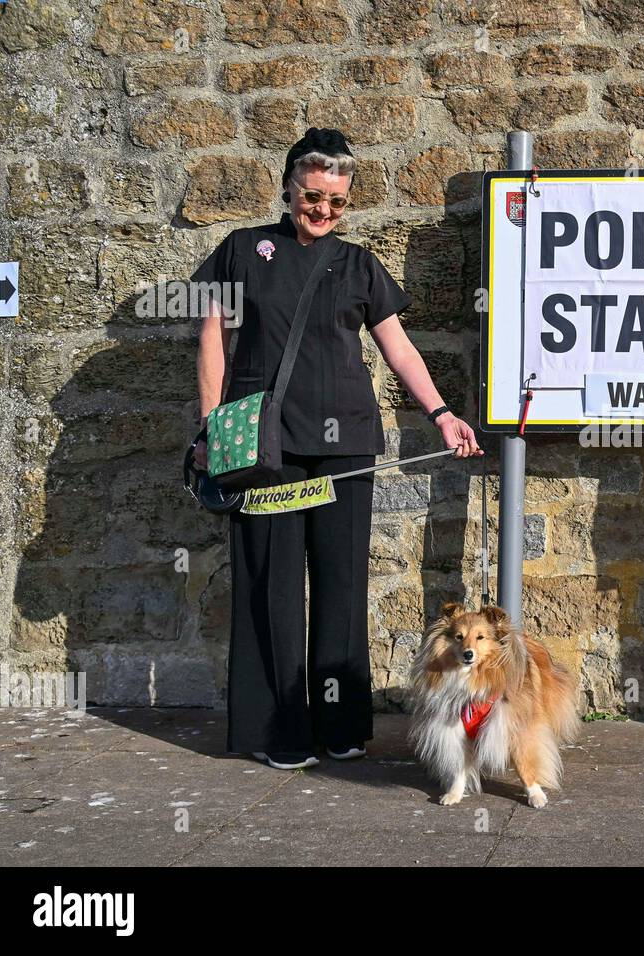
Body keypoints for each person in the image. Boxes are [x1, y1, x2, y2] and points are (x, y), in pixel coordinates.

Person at [191, 127, 483, 771]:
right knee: (270, 589)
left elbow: (397, 348)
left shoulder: (357, 265)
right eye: (313, 195)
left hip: (345, 443)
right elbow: (211, 333)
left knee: (342, 585)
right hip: (264, 447)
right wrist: (211, 422)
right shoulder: (243, 250)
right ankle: (279, 729)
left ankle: (339, 722)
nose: (324, 210)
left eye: (337, 201)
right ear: (289, 186)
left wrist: (440, 414)